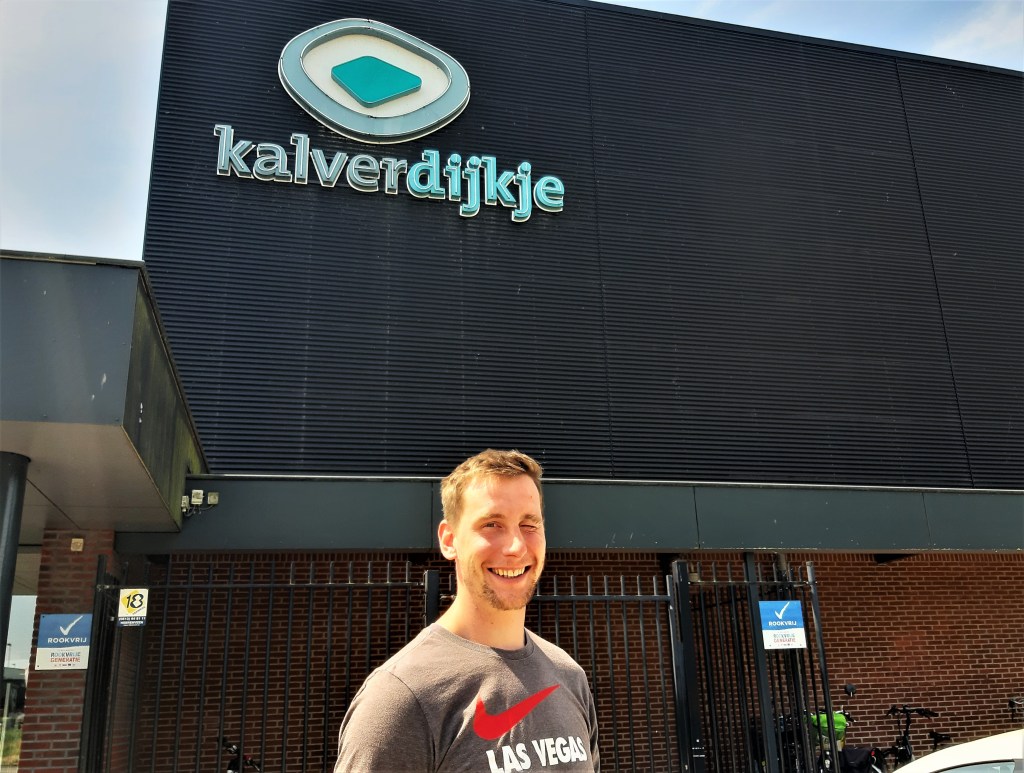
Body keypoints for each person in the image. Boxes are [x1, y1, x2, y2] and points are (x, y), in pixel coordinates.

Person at [336, 449, 600, 772]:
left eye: (529, 524)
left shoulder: (570, 676)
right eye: (492, 524)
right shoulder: (399, 699)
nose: (516, 546)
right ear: (449, 540)